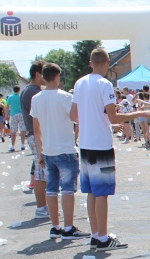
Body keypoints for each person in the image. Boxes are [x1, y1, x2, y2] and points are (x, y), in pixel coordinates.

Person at [70, 47, 150, 250]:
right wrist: (140, 113)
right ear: (108, 63)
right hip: (101, 144)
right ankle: (103, 238)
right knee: (102, 193)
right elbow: (113, 117)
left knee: (91, 192)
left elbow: (73, 116)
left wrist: (92, 116)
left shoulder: (79, 83)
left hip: (85, 143)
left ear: (90, 63)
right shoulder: (105, 84)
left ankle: (95, 235)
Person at [31, 63, 88, 239]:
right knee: (68, 189)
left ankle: (55, 226)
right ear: (57, 76)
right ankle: (68, 227)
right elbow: (77, 119)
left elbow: (36, 129)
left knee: (51, 189)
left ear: (43, 77)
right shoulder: (66, 97)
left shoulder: (36, 99)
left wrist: (40, 151)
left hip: (48, 150)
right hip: (65, 148)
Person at [20, 61, 49, 218]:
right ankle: (42, 208)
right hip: (38, 135)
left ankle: (43, 207)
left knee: (40, 173)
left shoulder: (28, 90)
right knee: (42, 174)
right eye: (45, 74)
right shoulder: (34, 92)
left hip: (34, 134)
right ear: (38, 74)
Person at [6, 86, 24, 152]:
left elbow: (7, 106)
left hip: (13, 114)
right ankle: (22, 144)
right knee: (22, 129)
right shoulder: (21, 96)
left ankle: (13, 146)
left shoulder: (10, 97)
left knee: (13, 130)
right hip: (21, 113)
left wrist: (6, 115)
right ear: (19, 90)